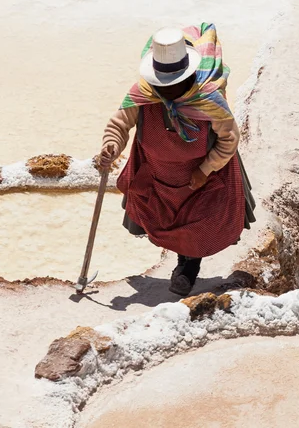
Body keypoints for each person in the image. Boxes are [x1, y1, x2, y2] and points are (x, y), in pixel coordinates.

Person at [99, 24, 255, 296]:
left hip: (201, 180)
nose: (167, 92)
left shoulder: (208, 99)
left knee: (197, 228)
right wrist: (110, 147)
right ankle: (181, 258)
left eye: (174, 85)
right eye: (163, 86)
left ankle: (187, 267)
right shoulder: (144, 94)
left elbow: (229, 139)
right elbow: (119, 124)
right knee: (162, 222)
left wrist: (206, 169)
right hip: (157, 175)